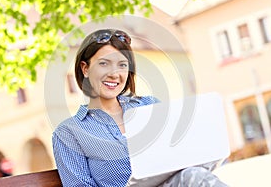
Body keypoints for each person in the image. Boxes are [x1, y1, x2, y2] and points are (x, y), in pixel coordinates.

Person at [52, 29, 228, 187]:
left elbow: (182, 155)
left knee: (194, 175)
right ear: (85, 69)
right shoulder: (69, 133)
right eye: (104, 63)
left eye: (122, 65)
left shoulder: (150, 106)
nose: (114, 74)